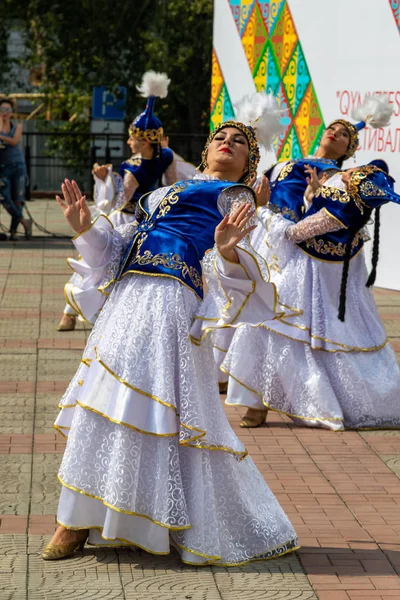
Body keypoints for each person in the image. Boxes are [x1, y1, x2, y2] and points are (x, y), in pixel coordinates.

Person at [42, 92, 298, 564]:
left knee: (156, 404)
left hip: (175, 304)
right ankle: (76, 518)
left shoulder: (237, 198)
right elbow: (117, 250)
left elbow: (248, 266)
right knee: (104, 397)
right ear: (205, 150)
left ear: (248, 162)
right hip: (127, 300)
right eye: (219, 136)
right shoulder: (158, 194)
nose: (226, 141)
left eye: (238, 141)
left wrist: (223, 248)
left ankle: (133, 519)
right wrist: (83, 229)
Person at [218, 147, 400, 430]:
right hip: (322, 277)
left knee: (268, 327)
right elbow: (314, 209)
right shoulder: (351, 202)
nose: (347, 172)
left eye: (352, 173)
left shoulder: (342, 210)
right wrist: (313, 193)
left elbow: (294, 233)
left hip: (309, 277)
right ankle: (254, 405)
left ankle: (258, 405)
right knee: (276, 332)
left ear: (356, 184)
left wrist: (264, 210)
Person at [58, 71, 196, 331]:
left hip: (127, 220)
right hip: (153, 217)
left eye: (133, 138)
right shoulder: (166, 154)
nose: (128, 141)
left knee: (95, 260)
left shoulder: (131, 167)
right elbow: (171, 183)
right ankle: (81, 312)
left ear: (144, 142)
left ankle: (73, 312)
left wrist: (104, 179)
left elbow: (117, 202)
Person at [0, 98, 32, 240]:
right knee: (4, 197)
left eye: (8, 110)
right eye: (2, 109)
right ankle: (25, 222)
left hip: (18, 165)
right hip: (3, 167)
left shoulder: (17, 126)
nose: (5, 113)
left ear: (12, 112)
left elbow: (14, 141)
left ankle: (13, 232)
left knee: (17, 199)